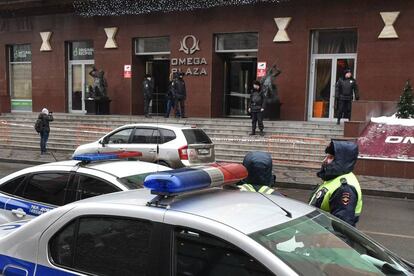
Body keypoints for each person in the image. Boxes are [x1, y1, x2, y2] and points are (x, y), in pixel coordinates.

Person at [309, 140, 362, 227]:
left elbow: (342, 228)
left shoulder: (344, 188)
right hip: (319, 233)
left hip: (325, 237)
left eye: (330, 157)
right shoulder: (335, 177)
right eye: (326, 156)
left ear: (342, 161)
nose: (324, 160)